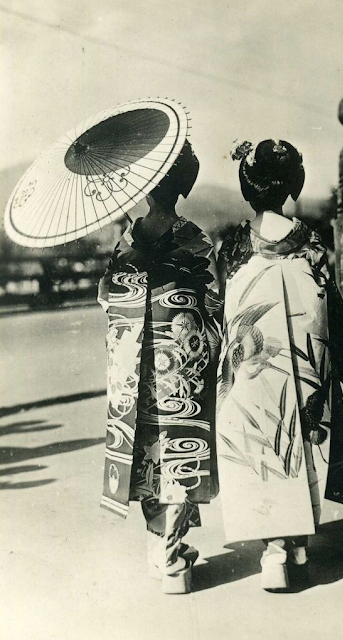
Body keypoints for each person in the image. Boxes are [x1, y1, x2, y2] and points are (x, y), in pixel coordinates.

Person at [216, 139, 343, 591]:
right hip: (303, 359)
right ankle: (296, 542)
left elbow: (223, 305)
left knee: (261, 443)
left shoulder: (235, 247)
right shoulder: (311, 245)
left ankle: (273, 549)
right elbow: (328, 307)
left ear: (247, 188)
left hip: (252, 362)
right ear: (292, 184)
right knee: (300, 435)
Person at [98, 140, 222, 594]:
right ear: (183, 186)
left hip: (135, 353)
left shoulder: (127, 239)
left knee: (146, 447)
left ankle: (162, 550)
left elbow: (107, 297)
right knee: (180, 448)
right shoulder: (197, 238)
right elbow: (214, 301)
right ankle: (171, 554)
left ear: (149, 188)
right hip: (181, 355)